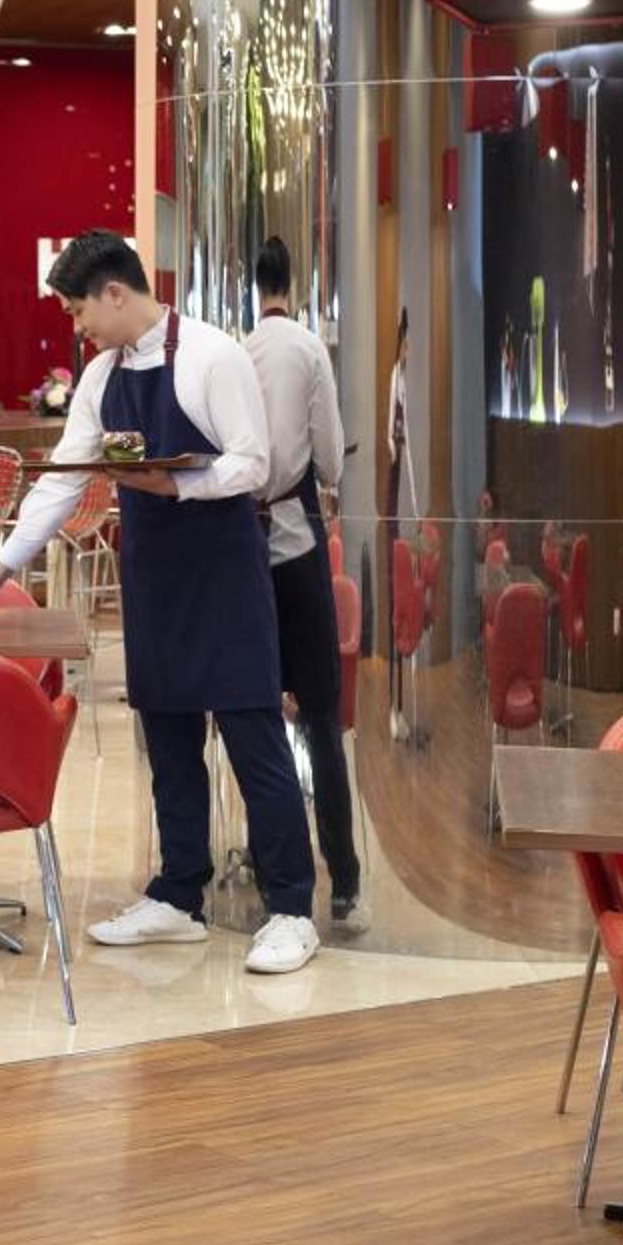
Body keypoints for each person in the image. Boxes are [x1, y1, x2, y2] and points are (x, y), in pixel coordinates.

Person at [0, 230, 320, 975]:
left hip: (223, 573)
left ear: (114, 293)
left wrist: (177, 482)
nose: (77, 326)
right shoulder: (100, 375)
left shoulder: (213, 356)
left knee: (255, 745)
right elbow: (65, 478)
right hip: (153, 573)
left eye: (79, 310)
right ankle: (178, 896)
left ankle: (292, 910)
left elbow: (254, 463)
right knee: (169, 746)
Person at [242, 237, 363, 930]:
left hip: (244, 552)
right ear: (295, 283)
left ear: (252, 286)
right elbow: (333, 465)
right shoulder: (310, 350)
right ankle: (342, 879)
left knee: (259, 718)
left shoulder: (238, 352)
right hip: (297, 545)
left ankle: (272, 873)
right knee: (320, 717)